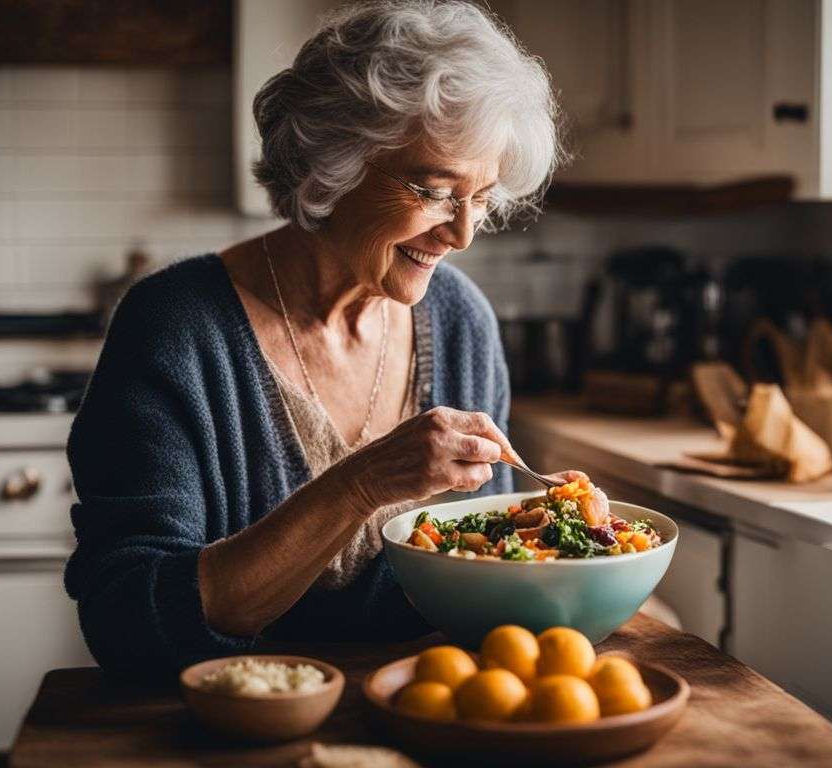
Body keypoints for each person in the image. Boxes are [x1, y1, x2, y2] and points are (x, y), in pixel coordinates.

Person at [64, 0, 563, 677]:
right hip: (230, 728)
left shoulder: (460, 321)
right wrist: (357, 485)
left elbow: (490, 578)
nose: (463, 234)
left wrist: (561, 542)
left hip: (429, 715)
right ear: (335, 165)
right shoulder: (174, 329)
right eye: (435, 190)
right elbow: (126, 621)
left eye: (482, 199)